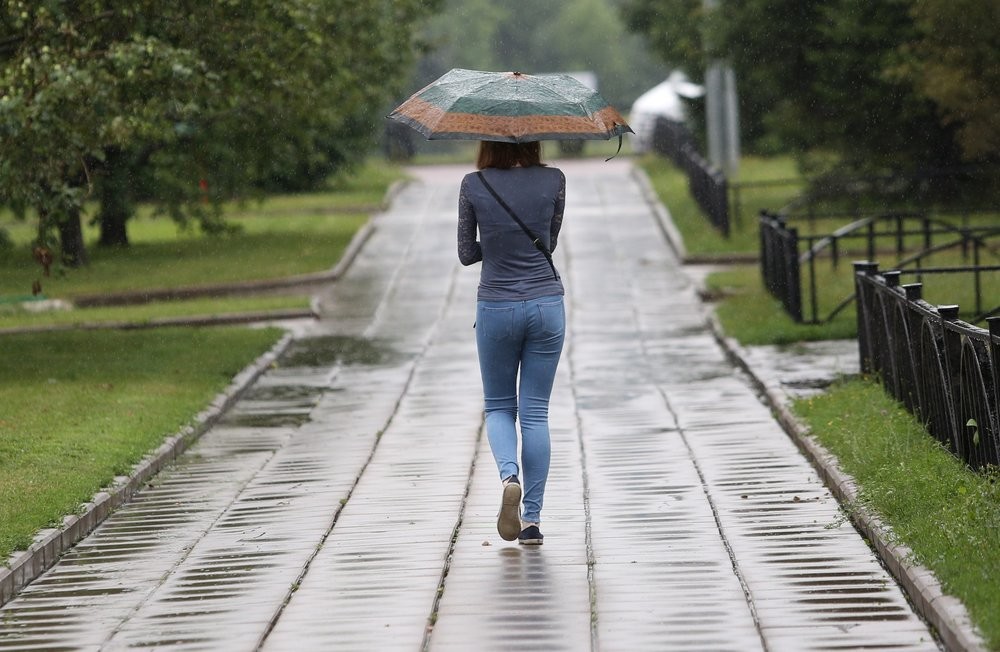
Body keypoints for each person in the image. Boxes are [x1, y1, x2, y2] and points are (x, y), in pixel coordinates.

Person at [457, 140, 566, 545]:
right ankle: (532, 521)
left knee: (500, 406)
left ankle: (509, 476)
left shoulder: (473, 184)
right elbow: (548, 243)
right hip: (546, 305)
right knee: (536, 413)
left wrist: (497, 244)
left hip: (497, 309)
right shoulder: (555, 179)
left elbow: (467, 253)